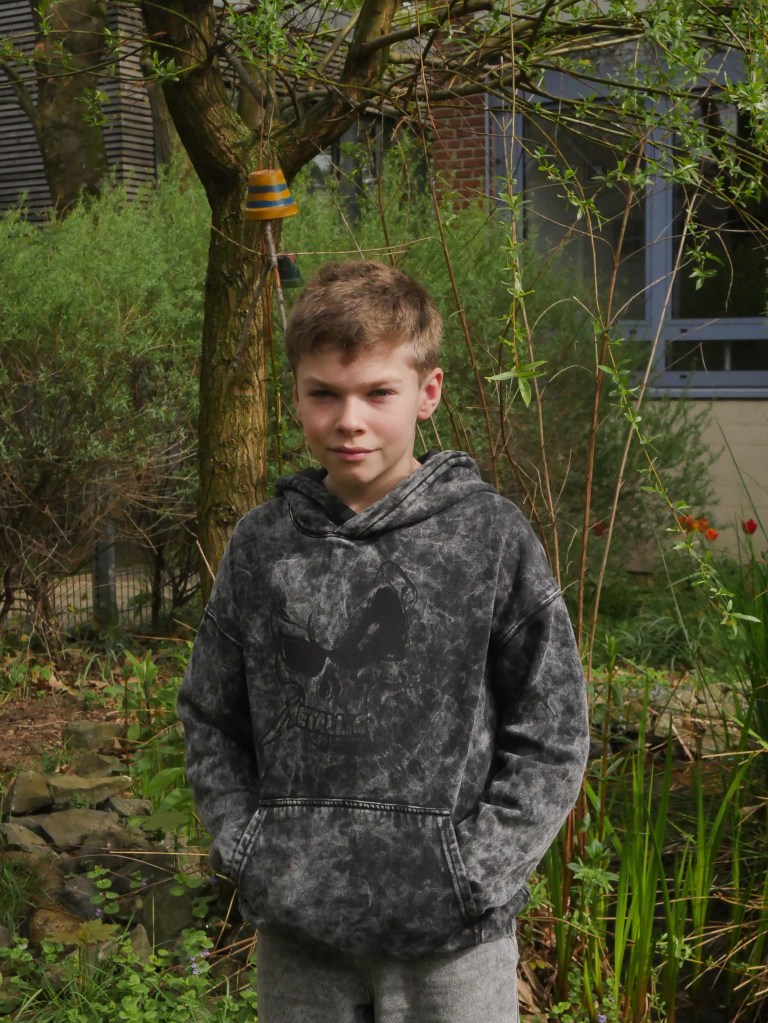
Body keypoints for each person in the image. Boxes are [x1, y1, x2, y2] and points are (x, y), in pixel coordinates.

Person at [178, 260, 590, 1023]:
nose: (349, 419)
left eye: (377, 393)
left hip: (454, 949)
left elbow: (553, 730)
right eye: (324, 393)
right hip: (301, 943)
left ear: (428, 392)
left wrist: (474, 873)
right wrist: (253, 849)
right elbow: (210, 716)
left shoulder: (490, 538)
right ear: (294, 394)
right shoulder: (261, 547)